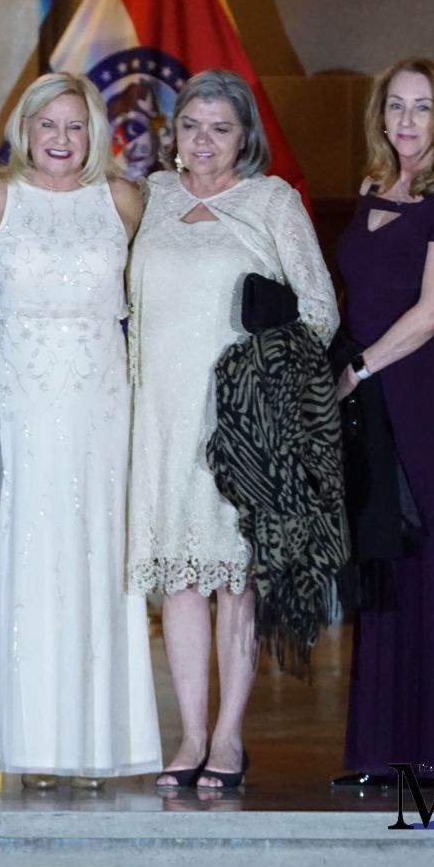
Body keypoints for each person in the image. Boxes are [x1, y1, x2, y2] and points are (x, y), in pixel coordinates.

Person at [125, 69, 337, 790]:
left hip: (240, 423)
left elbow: (319, 308)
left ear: (245, 136)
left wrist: (266, 384)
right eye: (191, 126)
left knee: (234, 580)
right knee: (182, 580)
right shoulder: (152, 196)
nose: (204, 140)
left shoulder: (271, 201)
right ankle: (189, 734)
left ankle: (228, 737)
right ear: (173, 133)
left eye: (221, 128)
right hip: (160, 417)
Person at [0, 72, 160, 788]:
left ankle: (99, 741)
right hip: (20, 403)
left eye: (74, 125)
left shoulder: (123, 200)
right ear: (24, 129)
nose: (60, 138)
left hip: (102, 406)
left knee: (98, 554)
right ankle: (32, 744)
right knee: (28, 556)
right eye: (47, 124)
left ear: (95, 134)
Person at [328, 57, 434, 789]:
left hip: (426, 397)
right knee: (383, 560)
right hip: (369, 393)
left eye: (421, 107)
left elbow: (432, 312)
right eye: (395, 105)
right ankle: (381, 751)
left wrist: (359, 369)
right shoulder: (372, 187)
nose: (406, 120)